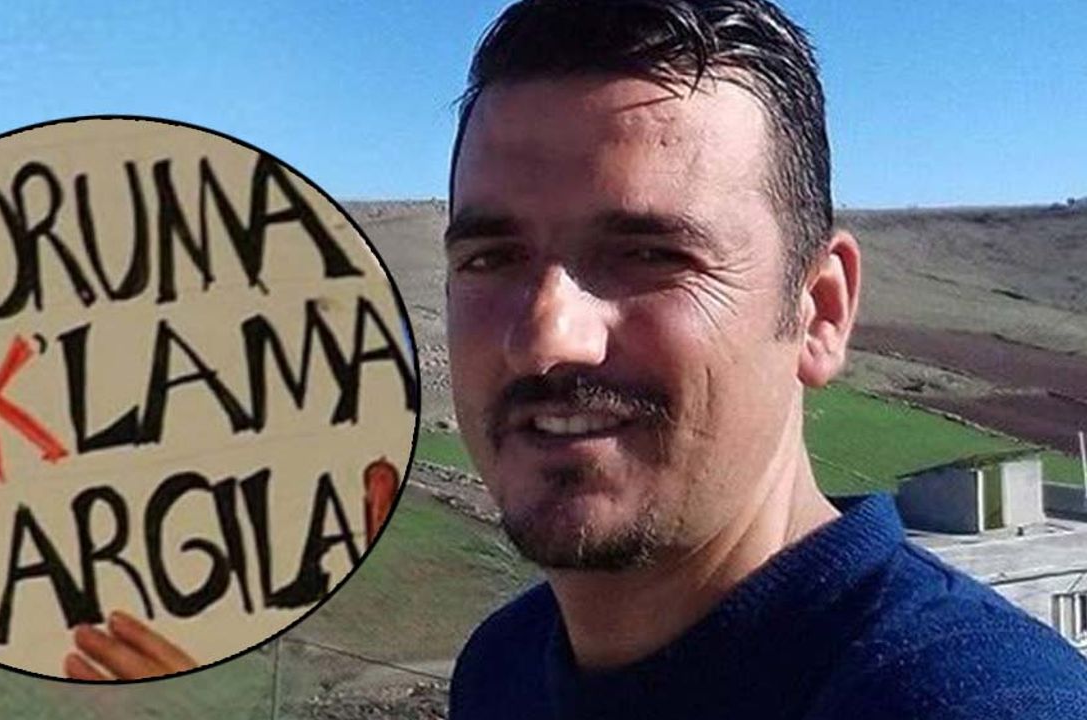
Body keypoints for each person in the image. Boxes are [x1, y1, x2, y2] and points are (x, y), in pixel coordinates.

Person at [444, 0, 1087, 718]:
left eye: (651, 255)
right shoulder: (503, 667)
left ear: (820, 311)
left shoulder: (976, 701)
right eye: (490, 258)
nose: (547, 338)